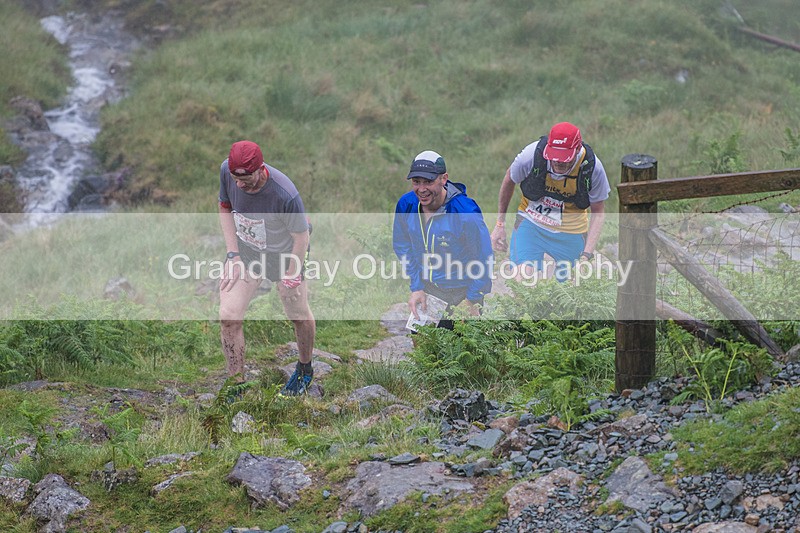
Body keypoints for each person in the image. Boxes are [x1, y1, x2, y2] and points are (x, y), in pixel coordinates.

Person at [218, 140, 316, 396]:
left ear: (260, 169)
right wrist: (233, 255)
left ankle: (305, 369)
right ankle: (236, 387)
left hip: (285, 253)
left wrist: (292, 274)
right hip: (248, 251)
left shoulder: (285, 193)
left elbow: (301, 237)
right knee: (229, 316)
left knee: (297, 312)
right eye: (234, 178)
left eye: (245, 179)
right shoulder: (226, 171)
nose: (239, 185)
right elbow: (225, 206)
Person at [491, 122, 610, 280]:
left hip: (571, 230)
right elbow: (509, 179)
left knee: (569, 289)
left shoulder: (592, 168)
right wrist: (500, 224)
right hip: (531, 222)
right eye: (554, 158)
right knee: (522, 280)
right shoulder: (532, 154)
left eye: (564, 159)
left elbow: (599, 212)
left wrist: (586, 256)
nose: (558, 163)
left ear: (576, 150)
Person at [393, 150, 493, 329]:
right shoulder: (406, 204)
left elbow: (484, 258)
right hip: (428, 288)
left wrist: (473, 299)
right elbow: (402, 245)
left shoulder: (465, 213)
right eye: (416, 182)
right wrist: (416, 286)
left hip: (463, 291)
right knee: (422, 348)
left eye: (428, 182)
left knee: (462, 353)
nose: (421, 189)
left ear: (444, 179)